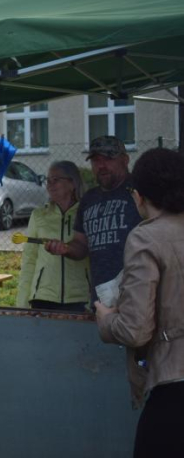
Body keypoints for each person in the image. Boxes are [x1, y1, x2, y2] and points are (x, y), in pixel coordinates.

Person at [94, 147, 184, 458]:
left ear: (139, 196)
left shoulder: (145, 238)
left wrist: (105, 318)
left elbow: (135, 330)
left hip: (173, 387)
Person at [45, 135, 143, 302]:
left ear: (125, 160)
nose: (101, 166)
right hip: (103, 297)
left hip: (139, 292)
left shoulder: (141, 190)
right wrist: (66, 249)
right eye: (96, 160)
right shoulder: (89, 199)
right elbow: (81, 244)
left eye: (108, 159)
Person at [15, 161, 90, 311]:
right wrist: (22, 303)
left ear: (72, 183)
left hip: (81, 298)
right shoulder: (38, 216)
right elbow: (29, 261)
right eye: (48, 180)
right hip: (43, 298)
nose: (50, 185)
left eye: (56, 180)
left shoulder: (87, 213)